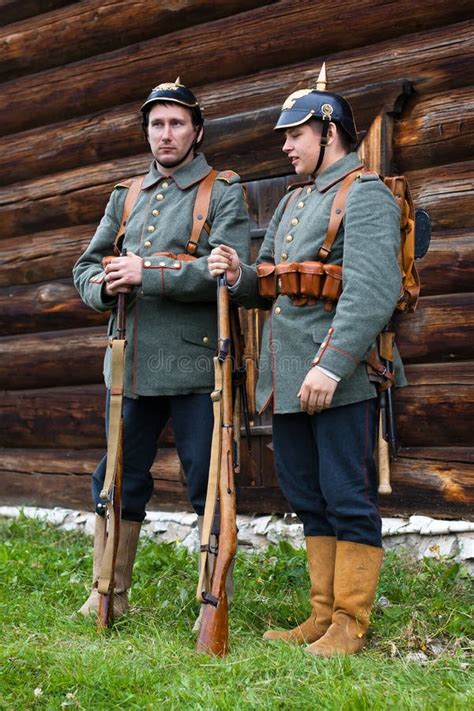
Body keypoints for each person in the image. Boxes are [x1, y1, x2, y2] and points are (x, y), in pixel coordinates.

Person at [208, 65, 405, 656]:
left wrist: (332, 364)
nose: (286, 146)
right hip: (287, 378)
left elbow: (374, 289)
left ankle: (351, 622)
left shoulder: (364, 194)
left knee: (347, 494)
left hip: (335, 377)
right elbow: (266, 286)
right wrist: (237, 273)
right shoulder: (297, 200)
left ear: (328, 132)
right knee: (307, 494)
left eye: (294, 135)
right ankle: (322, 615)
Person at [73, 79, 250, 620]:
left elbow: (228, 268)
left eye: (176, 123)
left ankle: (211, 599)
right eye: (156, 124)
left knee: (207, 479)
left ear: (196, 130)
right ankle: (109, 590)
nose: (165, 133)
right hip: (130, 363)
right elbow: (85, 268)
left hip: (196, 362)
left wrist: (145, 272)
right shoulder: (124, 196)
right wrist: (104, 286)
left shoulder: (223, 191)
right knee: (117, 476)